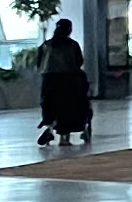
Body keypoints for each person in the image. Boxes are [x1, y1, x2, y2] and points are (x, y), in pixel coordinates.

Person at [34, 21, 92, 149]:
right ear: (69, 30)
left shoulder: (46, 45)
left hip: (48, 80)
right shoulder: (72, 44)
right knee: (68, 108)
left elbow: (39, 63)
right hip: (68, 80)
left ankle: (49, 128)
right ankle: (64, 137)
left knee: (50, 105)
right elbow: (79, 62)